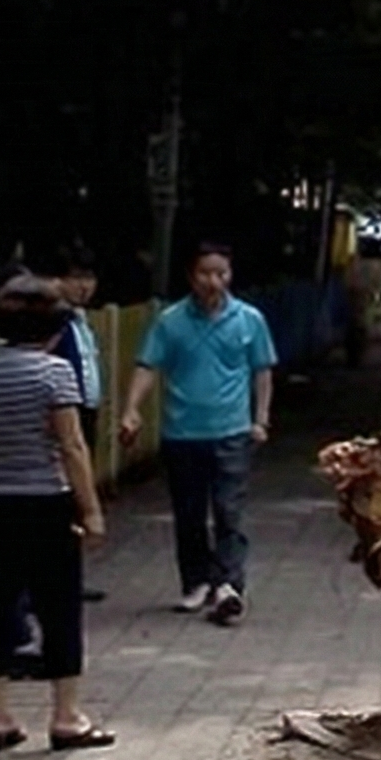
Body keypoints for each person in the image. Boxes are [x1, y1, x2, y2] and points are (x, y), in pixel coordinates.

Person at [0, 275, 113, 751]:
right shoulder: (54, 374)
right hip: (45, 503)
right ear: (51, 330)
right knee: (59, 607)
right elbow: (70, 445)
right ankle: (66, 717)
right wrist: (91, 511)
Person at [118, 242, 276, 627]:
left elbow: (262, 370)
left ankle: (228, 586)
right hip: (183, 431)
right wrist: (131, 409)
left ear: (230, 275)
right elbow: (147, 365)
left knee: (228, 510)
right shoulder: (171, 321)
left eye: (221, 273)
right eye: (205, 273)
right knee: (188, 514)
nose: (213, 281)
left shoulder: (248, 319)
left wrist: (261, 418)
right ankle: (196, 581)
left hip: (232, 431)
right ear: (191, 276)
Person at [45, 244, 108, 601]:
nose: (84, 286)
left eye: (89, 278)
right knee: (67, 495)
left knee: (79, 489)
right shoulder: (52, 324)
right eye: (75, 278)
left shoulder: (82, 322)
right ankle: (58, 581)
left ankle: (71, 576)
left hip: (85, 410)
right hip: (62, 413)